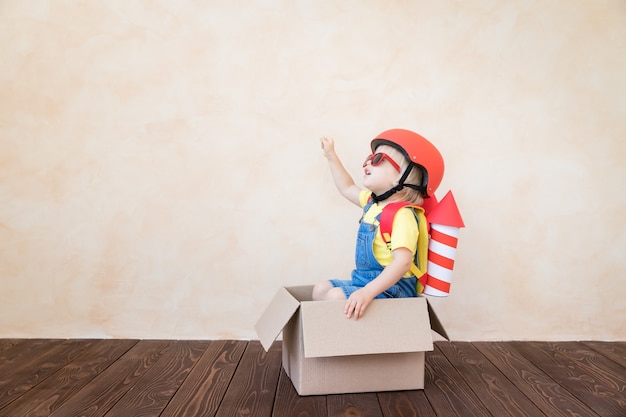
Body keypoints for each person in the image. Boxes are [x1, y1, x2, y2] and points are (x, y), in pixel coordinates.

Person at [312, 129, 444, 319]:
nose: (367, 162)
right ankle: (331, 339)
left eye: (378, 159)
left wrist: (367, 292)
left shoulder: (403, 216)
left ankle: (345, 342)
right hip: (365, 280)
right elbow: (347, 187)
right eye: (369, 158)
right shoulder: (372, 204)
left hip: (395, 288)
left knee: (334, 297)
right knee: (320, 289)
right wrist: (331, 156)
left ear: (401, 177)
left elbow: (403, 262)